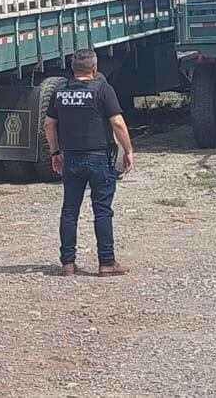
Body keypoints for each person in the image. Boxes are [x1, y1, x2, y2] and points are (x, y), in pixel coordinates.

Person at [42, 49, 135, 277]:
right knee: (102, 211)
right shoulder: (102, 90)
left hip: (71, 158)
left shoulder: (60, 92)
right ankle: (106, 263)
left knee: (69, 211)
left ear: (72, 70)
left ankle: (67, 263)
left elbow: (48, 125)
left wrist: (55, 152)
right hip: (98, 158)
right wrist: (128, 151)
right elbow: (118, 123)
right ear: (94, 69)